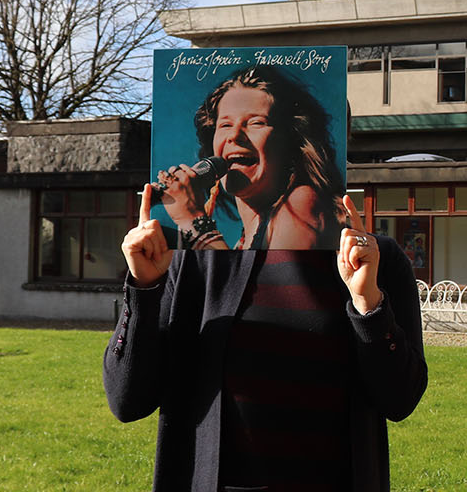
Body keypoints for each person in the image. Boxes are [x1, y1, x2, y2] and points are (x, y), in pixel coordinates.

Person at [105, 191, 427, 491]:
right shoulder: (195, 259)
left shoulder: (373, 258)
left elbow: (399, 400)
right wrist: (144, 288)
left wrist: (367, 303)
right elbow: (127, 401)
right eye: (226, 125)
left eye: (257, 124)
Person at [156, 64, 342, 250]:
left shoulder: (302, 202)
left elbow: (270, 280)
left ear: (290, 141)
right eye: (226, 125)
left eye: (256, 122)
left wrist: (192, 220)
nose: (235, 136)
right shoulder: (250, 232)